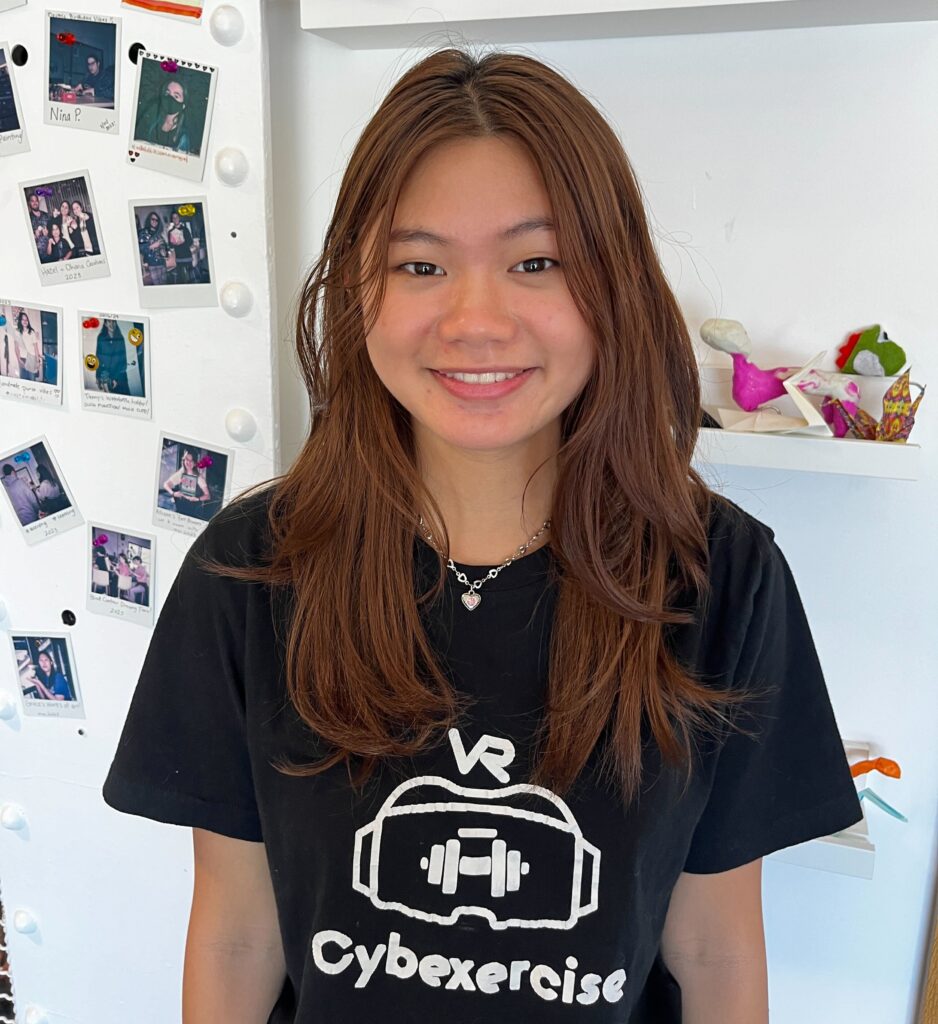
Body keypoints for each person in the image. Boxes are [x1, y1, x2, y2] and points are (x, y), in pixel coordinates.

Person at [103, 49, 862, 1024]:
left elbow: (713, 948)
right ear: (357, 293)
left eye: (534, 262)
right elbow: (236, 933)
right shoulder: (252, 572)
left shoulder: (719, 579)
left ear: (612, 286)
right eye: (419, 265)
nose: (474, 319)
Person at [138, 79, 190, 153]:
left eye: (176, 96)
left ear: (183, 105)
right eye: (167, 93)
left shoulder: (183, 137)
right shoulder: (151, 120)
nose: (170, 98)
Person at [162, 449, 211, 518]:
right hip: (179, 510)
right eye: (187, 459)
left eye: (191, 460)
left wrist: (197, 499)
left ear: (195, 463)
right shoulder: (181, 473)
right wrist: (173, 493)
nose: (188, 462)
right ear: (184, 460)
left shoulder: (199, 477)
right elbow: (165, 484)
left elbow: (208, 496)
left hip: (194, 513)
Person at [94, 319, 130, 394]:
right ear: (105, 324)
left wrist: (116, 378)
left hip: (120, 376)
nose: (112, 324)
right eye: (109, 321)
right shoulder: (101, 338)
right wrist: (97, 376)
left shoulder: (120, 338)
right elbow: (98, 358)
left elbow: (123, 362)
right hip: (108, 377)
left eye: (113, 321)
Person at [138, 211, 168, 286]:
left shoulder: (159, 234)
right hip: (153, 265)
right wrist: (152, 246)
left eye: (156, 220)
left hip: (162, 263)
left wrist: (166, 253)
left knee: (165, 285)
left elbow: (164, 248)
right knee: (158, 287)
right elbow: (140, 248)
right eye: (152, 219)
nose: (155, 221)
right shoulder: (143, 232)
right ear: (149, 220)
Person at [165, 211, 195, 284]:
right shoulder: (170, 232)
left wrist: (183, 241)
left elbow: (191, 242)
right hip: (178, 258)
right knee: (182, 279)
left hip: (187, 256)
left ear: (179, 218)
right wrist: (173, 243)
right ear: (172, 219)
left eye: (176, 217)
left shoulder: (185, 229)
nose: (175, 219)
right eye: (173, 218)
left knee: (191, 278)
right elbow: (170, 246)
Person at [13, 311, 42, 382]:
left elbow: (36, 348)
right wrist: (18, 359)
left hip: (32, 359)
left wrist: (37, 361)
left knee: (32, 380)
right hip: (22, 359)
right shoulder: (16, 332)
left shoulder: (31, 332)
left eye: (26, 319)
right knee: (23, 381)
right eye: (23, 319)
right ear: (20, 321)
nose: (25, 321)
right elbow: (16, 347)